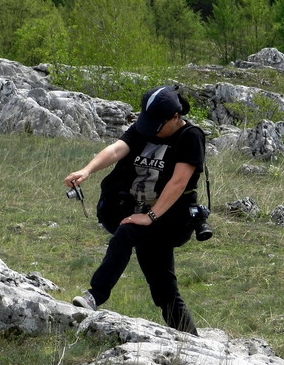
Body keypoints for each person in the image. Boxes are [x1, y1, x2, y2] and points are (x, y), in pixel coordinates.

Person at [64, 85, 205, 335]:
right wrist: (87, 170)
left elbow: (179, 182)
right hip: (141, 215)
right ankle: (190, 340)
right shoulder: (146, 128)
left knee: (127, 231)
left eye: (158, 126)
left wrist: (150, 216)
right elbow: (117, 149)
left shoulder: (190, 136)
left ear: (175, 117)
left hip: (169, 220)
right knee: (164, 289)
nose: (152, 131)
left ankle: (95, 295)